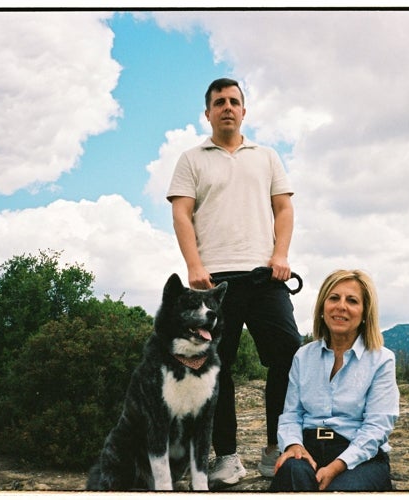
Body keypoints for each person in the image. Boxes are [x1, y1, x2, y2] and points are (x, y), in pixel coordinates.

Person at [166, 77, 303, 488]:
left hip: (265, 276)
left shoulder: (267, 156)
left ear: (244, 111)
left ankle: (277, 448)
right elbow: (181, 213)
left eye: (234, 101)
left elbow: (284, 209)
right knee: (215, 368)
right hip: (213, 281)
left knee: (288, 355)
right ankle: (225, 456)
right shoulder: (192, 159)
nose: (227, 107)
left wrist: (280, 256)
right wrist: (193, 265)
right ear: (207, 113)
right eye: (219, 102)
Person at [269, 269, 399, 492]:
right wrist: (293, 445)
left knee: (339, 490)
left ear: (365, 312)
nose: (341, 306)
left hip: (358, 455)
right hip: (307, 448)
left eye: (352, 301)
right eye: (334, 298)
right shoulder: (303, 356)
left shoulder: (381, 359)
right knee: (292, 473)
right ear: (322, 307)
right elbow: (292, 414)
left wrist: (337, 467)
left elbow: (376, 427)